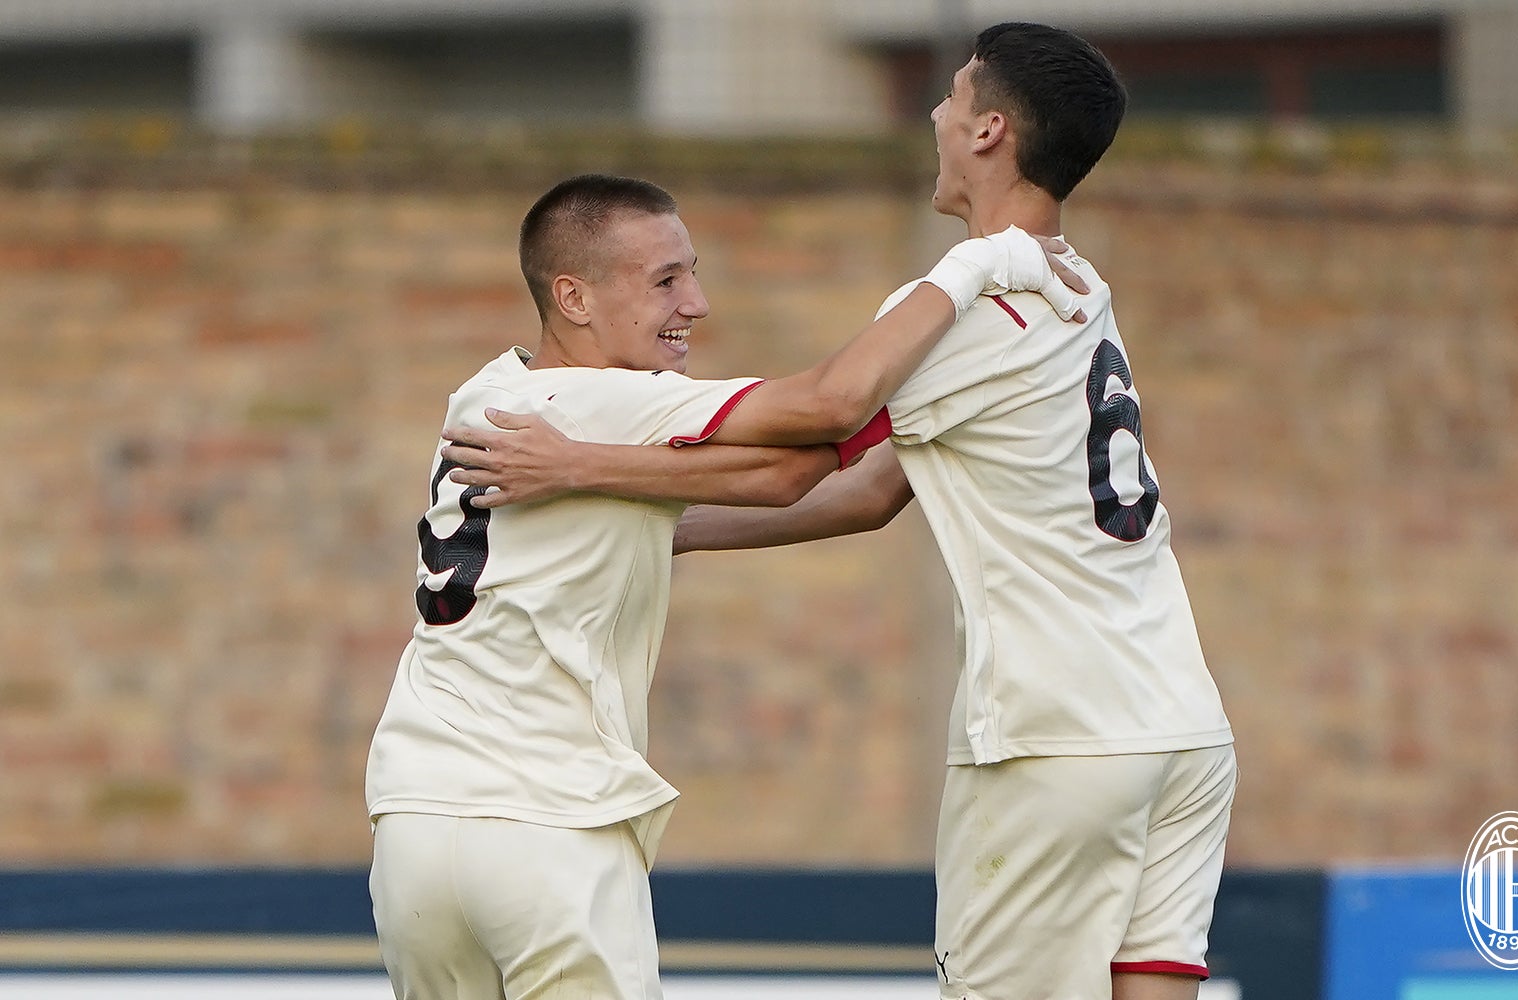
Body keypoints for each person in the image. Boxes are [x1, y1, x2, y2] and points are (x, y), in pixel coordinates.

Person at [440, 23, 1236, 1000]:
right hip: (1183, 724)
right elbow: (870, 490)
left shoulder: (970, 300)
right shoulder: (1078, 285)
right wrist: (656, 528)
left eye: (950, 97)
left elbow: (815, 428)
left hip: (1055, 733)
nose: (935, 115)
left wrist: (577, 467)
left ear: (988, 131)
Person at [364, 172, 1086, 1000]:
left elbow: (842, 498)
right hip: (546, 827)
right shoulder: (609, 401)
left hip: (413, 824)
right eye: (666, 279)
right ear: (573, 296)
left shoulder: (486, 395)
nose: (696, 303)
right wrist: (977, 269)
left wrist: (946, 418)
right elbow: (824, 415)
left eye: (691, 273)